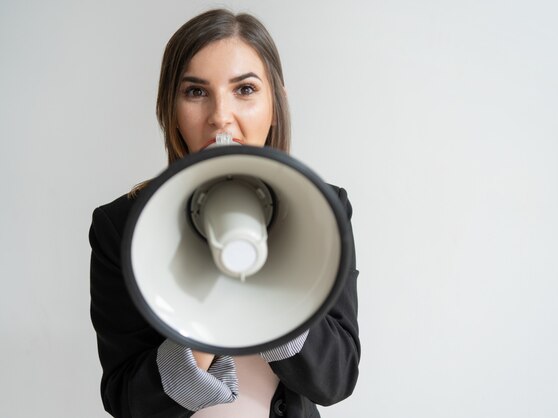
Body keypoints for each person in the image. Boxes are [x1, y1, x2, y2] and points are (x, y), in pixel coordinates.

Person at [89, 9, 360, 418]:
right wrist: (204, 315)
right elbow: (126, 402)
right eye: (196, 92)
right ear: (171, 108)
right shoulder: (122, 226)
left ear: (276, 102)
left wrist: (268, 299)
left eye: (245, 89)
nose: (219, 116)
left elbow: (335, 379)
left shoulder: (322, 211)